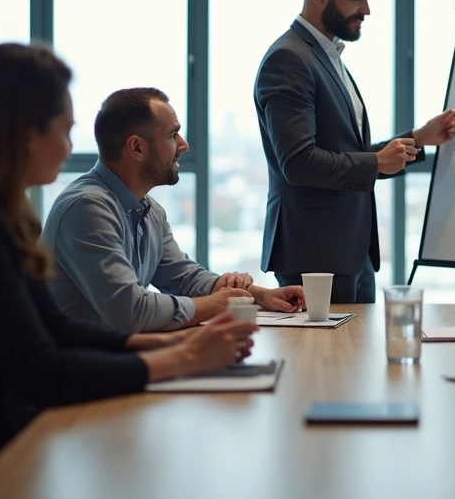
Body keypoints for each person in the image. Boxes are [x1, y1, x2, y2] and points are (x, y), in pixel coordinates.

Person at [0, 44, 256, 494]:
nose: (70, 147)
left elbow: (55, 327)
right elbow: (42, 371)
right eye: (64, 131)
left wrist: (175, 343)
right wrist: (183, 358)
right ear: (24, 133)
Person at [255, 0, 455, 303]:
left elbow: (346, 152)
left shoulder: (326, 56)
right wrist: (376, 162)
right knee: (327, 345)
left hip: (351, 254)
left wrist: (419, 138)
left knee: (358, 343)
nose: (367, 10)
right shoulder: (289, 59)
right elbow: (298, 162)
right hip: (315, 259)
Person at [43, 88, 305, 334]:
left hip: (116, 356)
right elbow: (131, 310)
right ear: (136, 147)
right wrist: (218, 304)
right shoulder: (87, 208)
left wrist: (260, 296)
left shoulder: (149, 210)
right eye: (172, 135)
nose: (184, 144)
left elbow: (185, 279)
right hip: (77, 364)